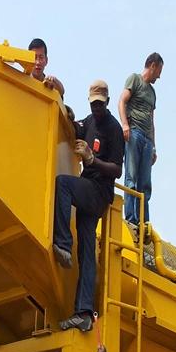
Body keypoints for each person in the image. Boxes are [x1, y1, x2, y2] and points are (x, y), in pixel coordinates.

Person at [53, 80, 125, 332]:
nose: (96, 109)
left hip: (99, 192)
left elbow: (117, 169)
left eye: (100, 105)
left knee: (63, 184)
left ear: (106, 102)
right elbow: (77, 127)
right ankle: (83, 313)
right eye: (93, 104)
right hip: (89, 188)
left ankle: (62, 244)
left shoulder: (113, 129)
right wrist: (66, 110)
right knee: (86, 253)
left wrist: (92, 159)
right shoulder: (90, 121)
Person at [117, 53, 163, 231]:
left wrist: (154, 146)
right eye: (158, 71)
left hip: (147, 139)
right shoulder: (134, 80)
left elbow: (152, 121)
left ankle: (143, 222)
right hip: (134, 132)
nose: (159, 76)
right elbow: (122, 101)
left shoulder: (152, 92)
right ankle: (131, 219)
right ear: (152, 65)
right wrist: (125, 125)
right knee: (131, 177)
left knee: (145, 183)